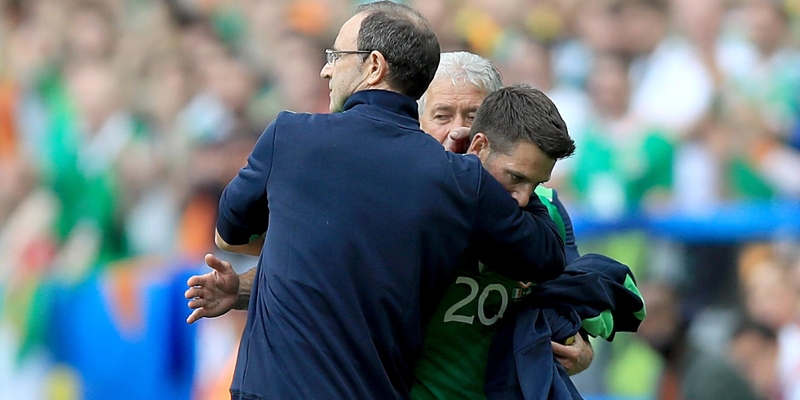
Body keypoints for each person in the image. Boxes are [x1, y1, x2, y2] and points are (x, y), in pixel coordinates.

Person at [192, 3, 566, 399]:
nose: (326, 69)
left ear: (373, 66)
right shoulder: (459, 180)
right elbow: (546, 255)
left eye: (336, 56)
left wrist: (321, 239)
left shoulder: (290, 136)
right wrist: (485, 173)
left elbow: (228, 235)